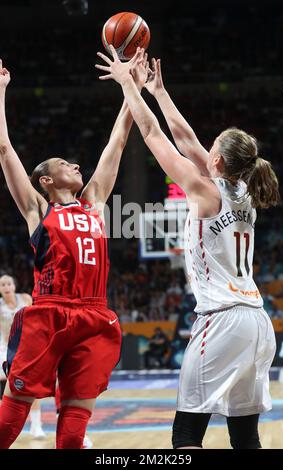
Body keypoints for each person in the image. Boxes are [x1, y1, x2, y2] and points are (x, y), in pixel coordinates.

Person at [96, 47, 280, 449]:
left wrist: (129, 84)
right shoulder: (244, 187)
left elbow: (154, 135)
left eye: (211, 148)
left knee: (186, 433)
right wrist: (159, 92)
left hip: (222, 319)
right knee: (245, 434)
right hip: (256, 320)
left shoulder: (204, 190)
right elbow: (187, 137)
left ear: (216, 162)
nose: (205, 149)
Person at [0, 50, 147, 449]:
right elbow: (4, 149)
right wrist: (0, 91)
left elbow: (117, 142)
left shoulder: (94, 203)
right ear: (46, 179)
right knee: (14, 408)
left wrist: (130, 85)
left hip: (94, 313)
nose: (76, 165)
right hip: (50, 310)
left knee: (74, 429)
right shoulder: (37, 210)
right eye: (66, 163)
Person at [0, 274, 46, 439]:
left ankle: (36, 426)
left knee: (32, 386)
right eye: (2, 285)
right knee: (5, 390)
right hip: (4, 349)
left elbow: (38, 318)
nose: (5, 287)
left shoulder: (25, 299)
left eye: (8, 283)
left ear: (14, 286)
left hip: (26, 347)